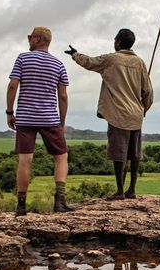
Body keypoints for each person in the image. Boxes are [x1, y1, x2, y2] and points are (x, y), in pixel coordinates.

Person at [65, 28, 153, 199]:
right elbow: (148, 92)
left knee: (119, 153)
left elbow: (90, 62)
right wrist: (143, 110)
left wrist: (75, 54)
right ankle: (132, 190)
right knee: (134, 155)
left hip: (118, 115)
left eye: (115, 40)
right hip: (136, 115)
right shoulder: (140, 63)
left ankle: (120, 191)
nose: (114, 42)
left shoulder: (111, 60)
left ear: (118, 42)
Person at [6, 26, 73, 216]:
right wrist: (61, 121)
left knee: (25, 159)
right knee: (61, 157)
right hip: (50, 118)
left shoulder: (22, 59)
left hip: (26, 117)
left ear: (38, 39)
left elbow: (12, 86)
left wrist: (10, 111)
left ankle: (21, 206)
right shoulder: (58, 64)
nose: (28, 39)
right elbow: (63, 96)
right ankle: (59, 202)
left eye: (30, 37)